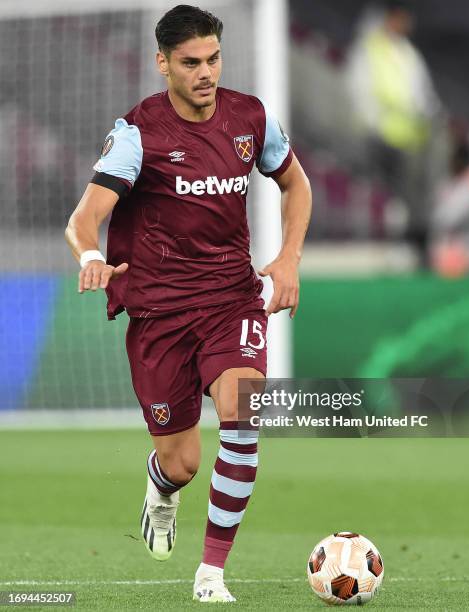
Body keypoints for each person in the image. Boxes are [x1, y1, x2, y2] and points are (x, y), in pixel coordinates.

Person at [64, 4, 311, 604]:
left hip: (231, 299)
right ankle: (160, 487)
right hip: (161, 315)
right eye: (190, 63)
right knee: (182, 463)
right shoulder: (138, 134)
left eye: (214, 59)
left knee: (243, 415)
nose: (206, 73)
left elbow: (295, 183)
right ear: (163, 64)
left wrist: (288, 258)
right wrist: (89, 257)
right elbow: (84, 218)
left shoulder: (250, 118)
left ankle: (211, 574)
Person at [346, 0, 442, 254]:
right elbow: (360, 92)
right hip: (381, 138)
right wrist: (375, 126)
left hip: (409, 138)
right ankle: (389, 246)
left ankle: (409, 244)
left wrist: (428, 115)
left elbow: (422, 94)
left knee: (410, 196)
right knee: (389, 196)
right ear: (391, 18)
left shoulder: (408, 52)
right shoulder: (369, 50)